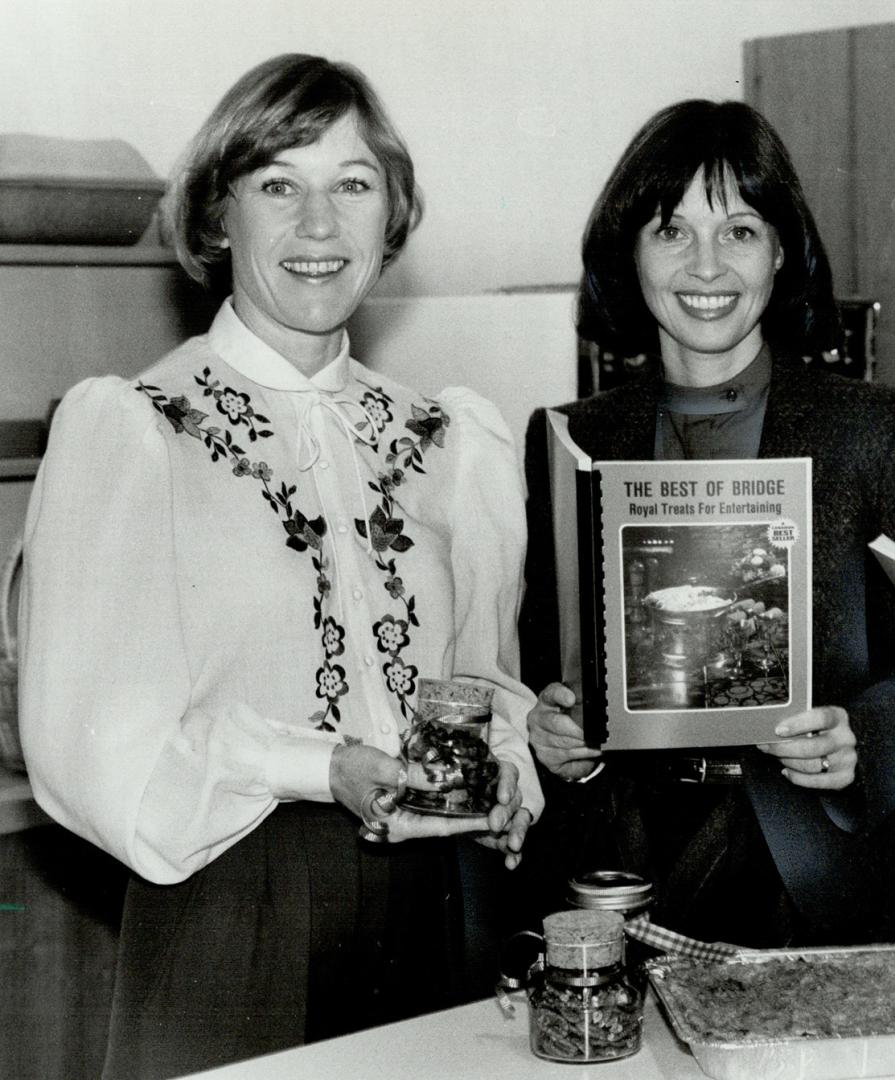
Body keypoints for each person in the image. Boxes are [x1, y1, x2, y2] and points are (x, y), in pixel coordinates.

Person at [17, 54, 542, 1078]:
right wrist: (315, 767)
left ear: (391, 222)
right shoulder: (131, 432)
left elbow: (480, 681)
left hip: (434, 904)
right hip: (228, 902)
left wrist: (510, 773)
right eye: (278, 186)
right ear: (220, 220)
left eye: (352, 186)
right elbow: (91, 745)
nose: (318, 226)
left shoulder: (450, 442)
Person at [514, 100, 895, 947]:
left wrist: (861, 737)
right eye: (671, 231)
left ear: (782, 250)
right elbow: (547, 661)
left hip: (812, 864)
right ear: (629, 251)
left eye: (740, 231)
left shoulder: (879, 430)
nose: (706, 266)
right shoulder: (570, 437)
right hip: (622, 868)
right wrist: (553, 726)